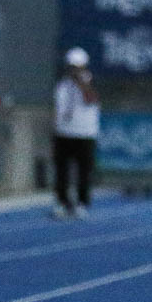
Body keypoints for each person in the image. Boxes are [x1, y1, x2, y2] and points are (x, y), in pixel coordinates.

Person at [52, 47, 100, 219]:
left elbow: (92, 99)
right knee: (62, 171)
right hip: (64, 133)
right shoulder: (62, 85)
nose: (74, 71)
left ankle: (81, 203)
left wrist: (81, 84)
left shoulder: (91, 81)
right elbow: (59, 108)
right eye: (72, 67)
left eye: (77, 67)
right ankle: (62, 202)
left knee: (84, 171)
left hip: (85, 133)